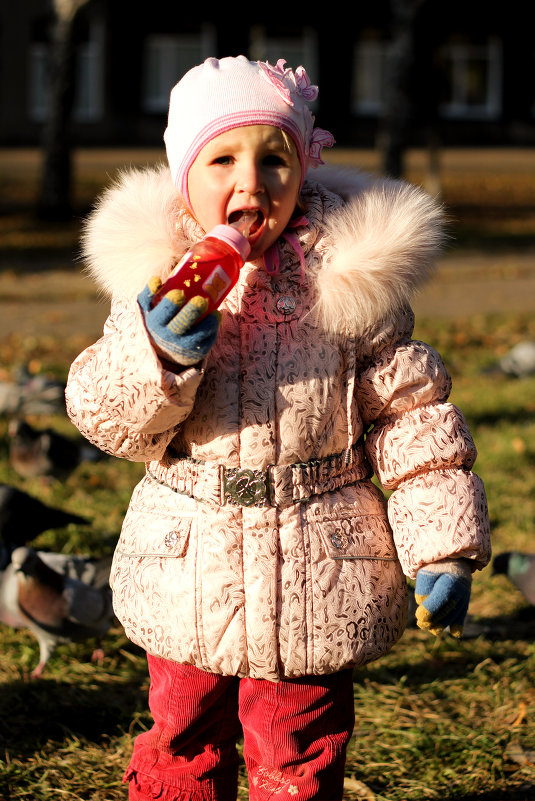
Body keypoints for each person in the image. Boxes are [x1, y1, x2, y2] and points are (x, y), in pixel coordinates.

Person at [65, 56, 491, 801]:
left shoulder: (351, 285)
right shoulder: (160, 281)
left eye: (274, 158)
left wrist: (442, 544)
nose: (250, 183)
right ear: (182, 176)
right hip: (188, 566)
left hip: (317, 567)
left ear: (304, 165)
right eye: (222, 159)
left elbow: (412, 420)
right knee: (182, 731)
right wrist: (156, 354)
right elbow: (106, 416)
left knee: (298, 749)